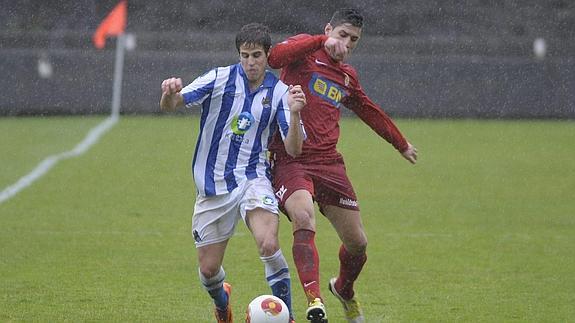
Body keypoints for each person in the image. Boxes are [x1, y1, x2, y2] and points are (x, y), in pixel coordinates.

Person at [267, 8, 418, 323]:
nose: (347, 43)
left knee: (358, 243)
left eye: (354, 39)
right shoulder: (304, 52)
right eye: (342, 35)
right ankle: (314, 301)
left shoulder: (347, 75)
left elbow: (368, 109)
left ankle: (343, 289)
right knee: (303, 216)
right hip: (291, 158)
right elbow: (275, 57)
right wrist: (321, 40)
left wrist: (400, 143)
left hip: (329, 163)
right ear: (328, 29)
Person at [160, 23, 306, 323]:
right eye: (245, 55)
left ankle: (288, 316)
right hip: (212, 186)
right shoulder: (218, 78)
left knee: (268, 242)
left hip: (253, 178)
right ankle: (221, 301)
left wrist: (294, 112)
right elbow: (172, 105)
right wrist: (169, 92)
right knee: (209, 270)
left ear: (267, 56)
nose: (250, 62)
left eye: (256, 55)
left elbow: (294, 149)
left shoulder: (279, 93)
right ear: (238, 55)